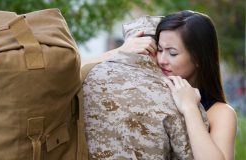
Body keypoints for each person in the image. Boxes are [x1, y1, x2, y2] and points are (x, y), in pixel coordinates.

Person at [85, 10, 237, 160]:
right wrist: (120, 51)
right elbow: (70, 70)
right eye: (159, 50)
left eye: (172, 53)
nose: (162, 59)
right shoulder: (149, 93)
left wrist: (190, 108)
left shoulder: (220, 113)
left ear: (198, 57)